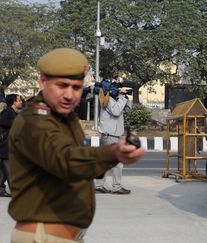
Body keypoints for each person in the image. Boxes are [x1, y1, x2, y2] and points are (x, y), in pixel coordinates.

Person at [7, 48, 145, 242]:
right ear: (42, 82)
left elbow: (78, 157)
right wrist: (114, 153)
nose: (70, 95)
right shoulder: (35, 121)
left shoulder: (63, 117)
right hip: (43, 237)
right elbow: (66, 160)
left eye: (76, 87)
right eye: (62, 85)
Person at [94, 82, 132, 195]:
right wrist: (121, 97)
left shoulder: (113, 100)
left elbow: (125, 110)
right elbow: (116, 112)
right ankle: (116, 187)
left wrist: (125, 98)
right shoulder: (107, 99)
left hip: (111, 135)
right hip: (110, 136)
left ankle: (98, 186)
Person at [0, 94, 22, 197]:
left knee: (3, 171)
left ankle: (0, 189)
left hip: (10, 145)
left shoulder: (15, 113)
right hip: (5, 145)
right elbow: (2, 121)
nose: (21, 102)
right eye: (19, 100)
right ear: (14, 102)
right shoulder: (7, 111)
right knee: (10, 170)